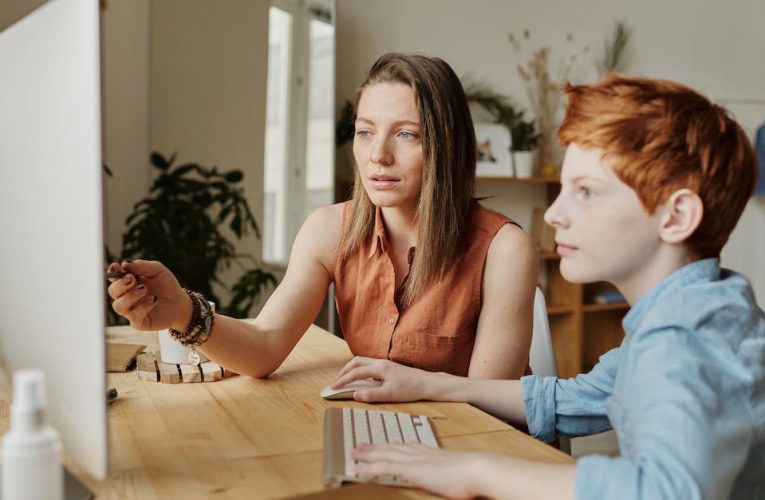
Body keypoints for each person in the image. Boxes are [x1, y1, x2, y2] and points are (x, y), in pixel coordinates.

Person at [332, 75, 765, 499]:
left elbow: (664, 491)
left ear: (676, 217)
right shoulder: (696, 310)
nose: (555, 214)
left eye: (586, 192)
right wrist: (432, 384)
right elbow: (575, 400)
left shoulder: (683, 337)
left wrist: (476, 470)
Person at [106, 52, 537, 380]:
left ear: (447, 146)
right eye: (365, 132)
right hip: (388, 437)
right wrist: (183, 311)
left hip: (476, 453)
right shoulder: (329, 230)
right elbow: (265, 345)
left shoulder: (504, 249)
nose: (378, 155)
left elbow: (489, 407)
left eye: (406, 134)